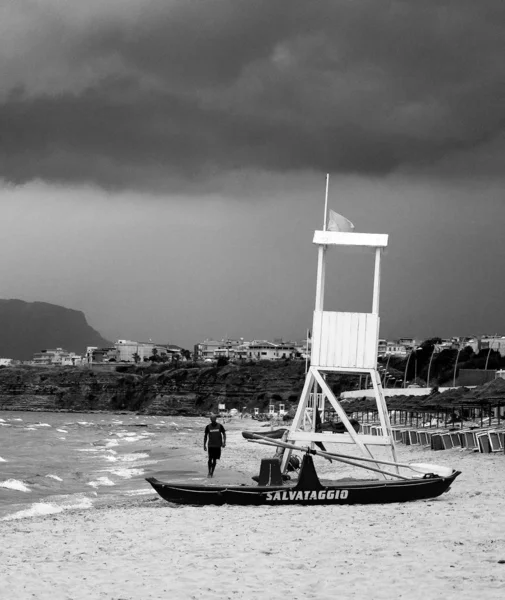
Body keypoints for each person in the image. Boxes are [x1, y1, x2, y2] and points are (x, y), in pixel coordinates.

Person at [203, 414, 226, 478]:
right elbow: (205, 436)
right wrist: (204, 445)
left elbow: (224, 434)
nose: (212, 421)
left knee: (215, 460)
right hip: (210, 445)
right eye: (211, 419)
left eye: (213, 419)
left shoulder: (220, 426)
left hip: (218, 446)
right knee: (210, 459)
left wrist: (224, 442)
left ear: (215, 419)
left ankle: (212, 472)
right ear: (210, 420)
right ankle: (209, 472)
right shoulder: (208, 427)